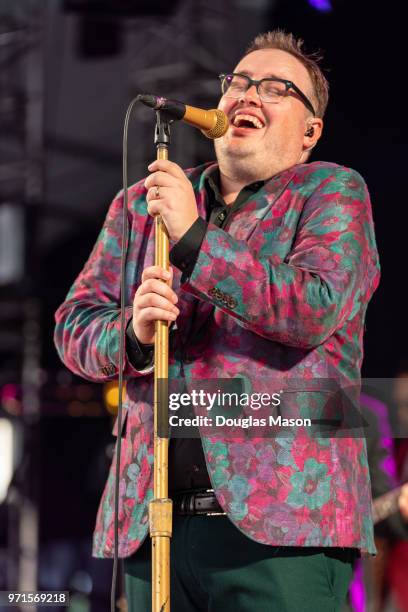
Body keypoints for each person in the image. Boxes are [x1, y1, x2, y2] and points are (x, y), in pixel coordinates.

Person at [54, 30, 381, 611]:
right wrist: (132, 334)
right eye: (240, 82)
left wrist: (193, 240)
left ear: (311, 133)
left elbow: (314, 306)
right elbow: (74, 326)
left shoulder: (331, 192)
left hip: (284, 530)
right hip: (152, 523)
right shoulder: (140, 203)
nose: (250, 94)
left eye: (279, 88)